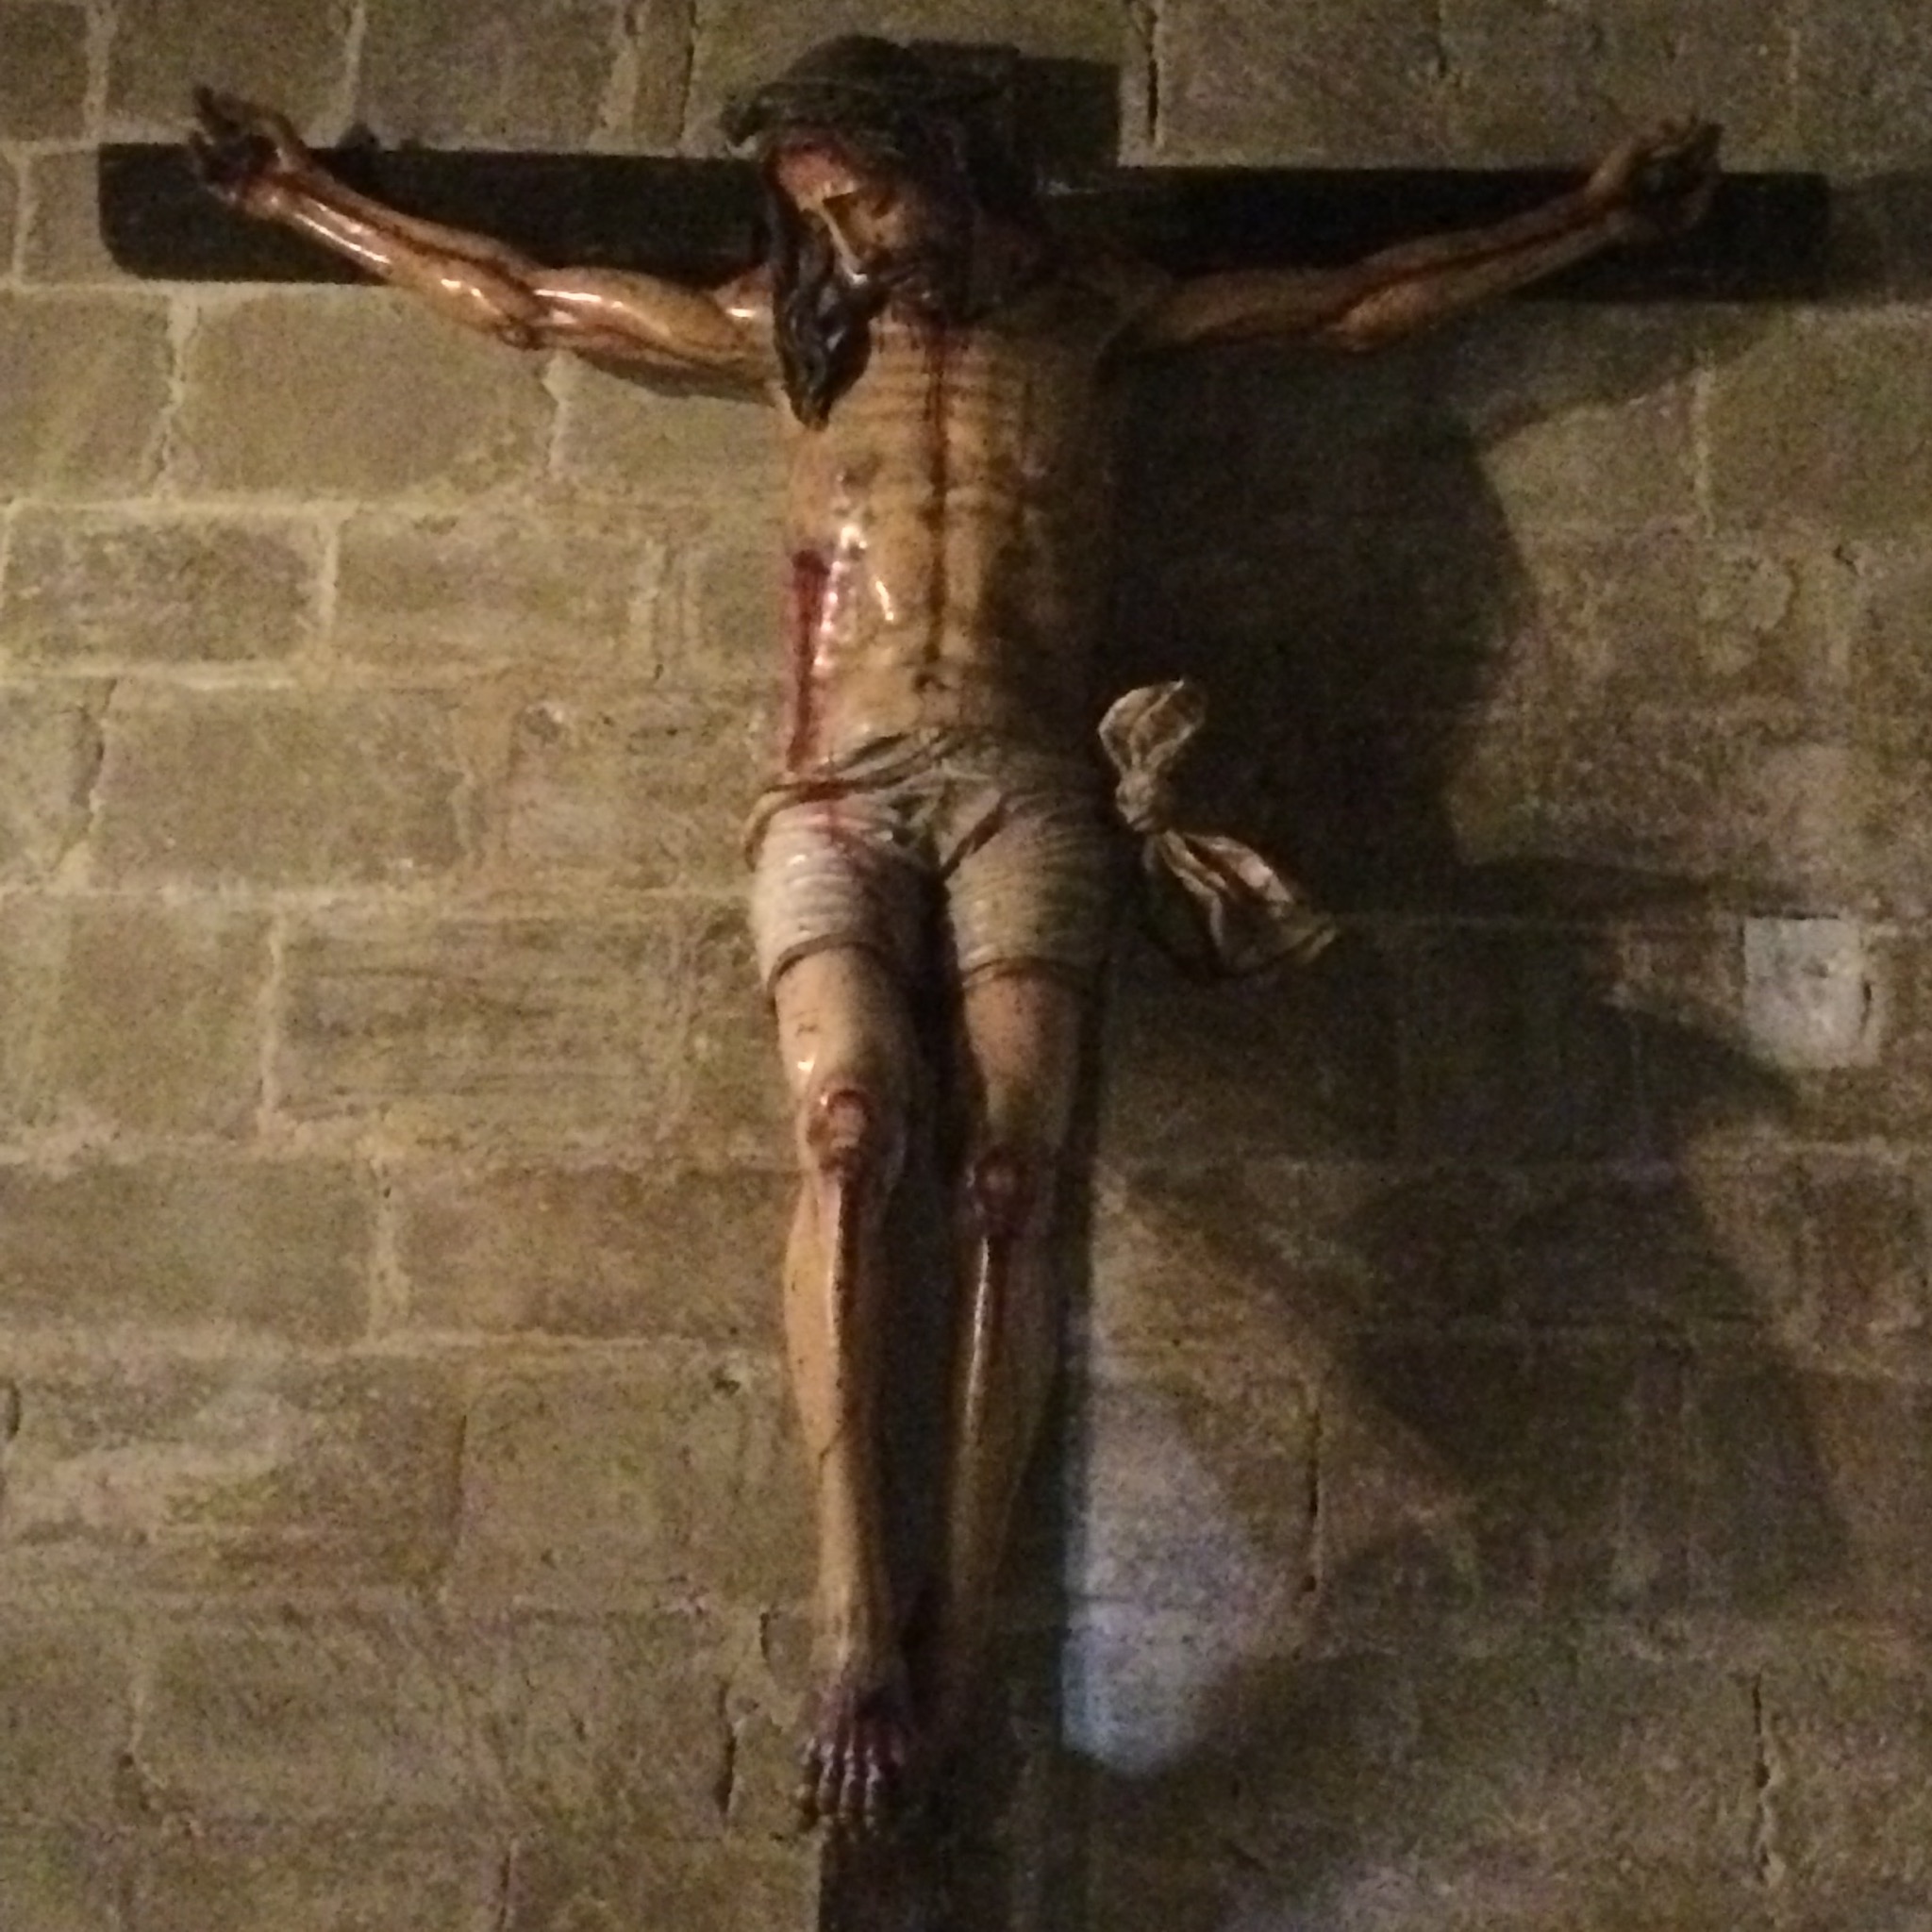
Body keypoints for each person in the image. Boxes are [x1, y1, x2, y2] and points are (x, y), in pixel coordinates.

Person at [191, 36, 1718, 1834]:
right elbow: (520, 300)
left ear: (943, 165)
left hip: (1024, 788)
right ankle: (854, 1612)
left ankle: (966, 1629)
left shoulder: (1092, 319)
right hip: (834, 792)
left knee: (1009, 1176)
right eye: (822, 215)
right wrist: (303, 200)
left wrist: (1590, 222)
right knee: (849, 1133)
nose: (853, 237)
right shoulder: (786, 337)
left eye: (870, 198)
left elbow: (1360, 305)